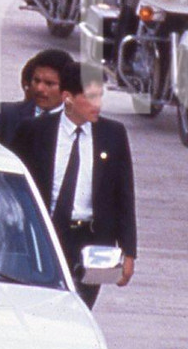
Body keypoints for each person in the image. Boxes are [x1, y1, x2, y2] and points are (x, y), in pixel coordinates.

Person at [13, 63, 136, 310]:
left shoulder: (113, 135)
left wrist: (129, 252)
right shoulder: (35, 132)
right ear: (68, 98)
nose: (97, 105)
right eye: (90, 97)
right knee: (41, 307)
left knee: (79, 310)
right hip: (45, 235)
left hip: (91, 241)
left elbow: (124, 195)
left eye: (100, 96)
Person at [0, 48, 72, 150]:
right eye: (36, 80)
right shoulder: (6, 115)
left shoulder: (78, 125)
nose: (39, 88)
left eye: (49, 84)